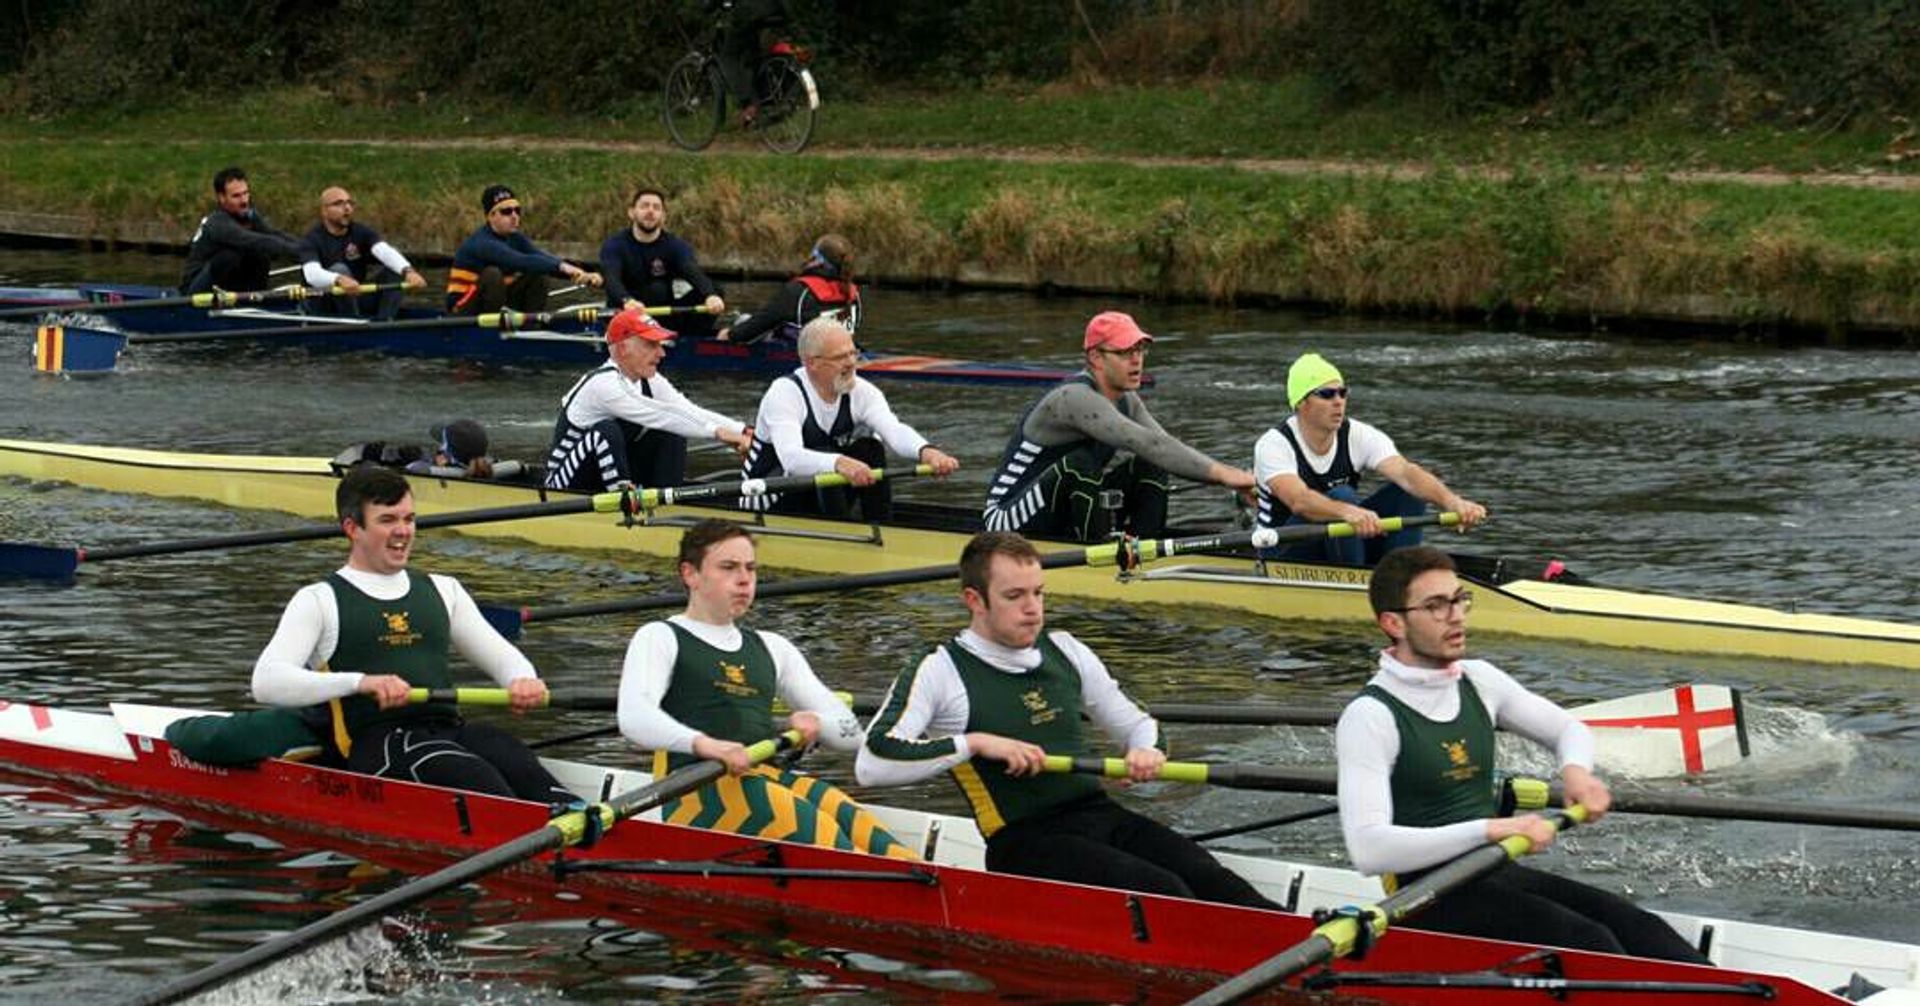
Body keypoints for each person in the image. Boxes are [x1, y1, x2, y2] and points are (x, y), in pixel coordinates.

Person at [858, 531, 1279, 909]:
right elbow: (872, 764)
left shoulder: (1065, 649)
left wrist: (1146, 750)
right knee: (1162, 890)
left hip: (1100, 815)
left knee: (1213, 879)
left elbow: (1138, 724)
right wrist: (976, 743)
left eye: (1039, 593)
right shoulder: (940, 669)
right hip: (1023, 842)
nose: (1032, 609)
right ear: (974, 600)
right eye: (1014, 596)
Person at [1334, 545, 1707, 961]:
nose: (1456, 616)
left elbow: (1569, 728)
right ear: (1393, 622)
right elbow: (1370, 850)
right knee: (1589, 943)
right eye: (1436, 606)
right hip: (1425, 895)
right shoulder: (1369, 717)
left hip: (1494, 870)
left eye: (1459, 599)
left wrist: (1576, 773)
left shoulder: (1479, 680)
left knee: (1642, 930)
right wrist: (1493, 830)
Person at [250, 466, 570, 803]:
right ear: (352, 528)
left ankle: (577, 828)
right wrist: (361, 683)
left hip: (449, 731)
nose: (403, 531)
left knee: (516, 759)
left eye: (409, 519)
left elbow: (502, 656)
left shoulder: (445, 589)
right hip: (379, 745)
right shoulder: (319, 600)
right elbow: (266, 681)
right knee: (474, 778)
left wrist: (522, 679)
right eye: (388, 520)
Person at [618, 519, 916, 859]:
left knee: (863, 827)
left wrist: (819, 724)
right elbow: (634, 717)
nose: (744, 579)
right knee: (830, 840)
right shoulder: (660, 637)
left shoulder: (773, 647)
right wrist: (707, 745)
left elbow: (852, 735)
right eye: (728, 567)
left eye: (750, 568)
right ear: (691, 575)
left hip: (764, 780)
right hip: (694, 791)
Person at [981, 311, 1255, 542]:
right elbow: (1149, 443)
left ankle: (1143, 551)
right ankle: (1103, 560)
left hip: (1063, 510)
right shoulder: (1073, 398)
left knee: (1152, 464)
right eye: (1124, 352)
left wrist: (1235, 482)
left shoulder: (1128, 401)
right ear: (1096, 358)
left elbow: (1165, 447)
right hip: (1005, 522)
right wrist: (1225, 474)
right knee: (1081, 464)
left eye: (1139, 350)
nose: (1136, 359)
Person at [1254, 352, 1487, 565]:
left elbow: (1406, 473)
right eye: (1326, 394)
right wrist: (1347, 511)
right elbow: (1300, 500)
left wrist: (1452, 502)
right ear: (1300, 404)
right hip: (1283, 550)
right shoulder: (1273, 445)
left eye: (1342, 393)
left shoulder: (1358, 434)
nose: (1338, 401)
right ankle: (1358, 581)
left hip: (1341, 538)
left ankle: (1398, 572)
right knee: (1343, 495)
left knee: (1409, 490)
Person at [738, 316, 958, 521]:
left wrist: (926, 451)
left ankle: (881, 526)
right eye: (840, 357)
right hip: (768, 501)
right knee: (828, 458)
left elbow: (894, 430)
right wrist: (839, 462)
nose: (851, 363)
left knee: (870, 449)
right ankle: (843, 534)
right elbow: (791, 459)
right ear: (812, 362)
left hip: (821, 494)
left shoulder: (861, 391)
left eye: (853, 353)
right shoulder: (784, 393)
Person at [545, 308, 753, 492]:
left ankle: (667, 501)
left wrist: (743, 431)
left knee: (676, 427)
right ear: (624, 348)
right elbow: (661, 415)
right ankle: (623, 503)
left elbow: (687, 410)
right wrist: (724, 436)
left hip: (607, 475)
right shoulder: (603, 385)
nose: (662, 353)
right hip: (565, 484)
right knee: (608, 430)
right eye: (652, 344)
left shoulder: (649, 379)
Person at [446, 184, 602, 315]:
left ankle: (531, 325)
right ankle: (491, 332)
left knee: (539, 273)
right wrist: (566, 268)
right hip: (462, 309)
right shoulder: (481, 243)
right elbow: (519, 260)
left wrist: (581, 274)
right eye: (506, 211)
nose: (514, 216)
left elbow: (541, 257)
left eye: (517, 211)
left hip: (496, 303)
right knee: (492, 274)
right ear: (491, 216)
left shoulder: (516, 238)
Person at [599, 186, 725, 338]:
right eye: (644, 206)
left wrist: (710, 295)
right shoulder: (614, 245)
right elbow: (611, 279)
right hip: (626, 312)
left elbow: (692, 272)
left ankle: (689, 340)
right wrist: (626, 300)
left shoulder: (675, 245)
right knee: (656, 289)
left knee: (716, 289)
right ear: (631, 212)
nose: (650, 211)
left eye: (656, 208)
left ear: (663, 216)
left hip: (663, 314)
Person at [298, 186, 428, 320]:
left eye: (349, 203)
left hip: (355, 295)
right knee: (339, 269)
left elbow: (384, 251)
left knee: (395, 269)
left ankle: (385, 323)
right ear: (324, 211)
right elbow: (312, 275)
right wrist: (338, 279)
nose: (347, 208)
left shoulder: (360, 231)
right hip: (323, 303)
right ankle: (355, 324)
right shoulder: (311, 240)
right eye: (338, 204)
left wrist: (408, 271)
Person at [180, 166, 303, 294]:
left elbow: (274, 234)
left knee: (260, 254)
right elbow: (259, 241)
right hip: (194, 291)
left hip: (228, 285)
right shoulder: (218, 224)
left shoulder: (249, 215)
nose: (244, 200)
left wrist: (311, 249)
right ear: (222, 198)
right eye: (236, 196)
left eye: (246, 193)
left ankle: (256, 297)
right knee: (235, 253)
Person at [717, 234, 858, 344]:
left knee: (743, 320)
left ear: (816, 259)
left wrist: (729, 335)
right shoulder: (853, 294)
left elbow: (762, 321)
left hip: (800, 355)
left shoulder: (799, 291)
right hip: (837, 351)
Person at [332, 419, 526, 482]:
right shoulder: (502, 467)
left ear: (446, 451)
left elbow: (409, 470)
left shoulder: (420, 469)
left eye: (441, 443)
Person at [712, 0, 794, 124]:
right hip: (777, 11)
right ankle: (766, 102)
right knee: (754, 56)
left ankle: (747, 104)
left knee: (728, 57)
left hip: (751, 13)